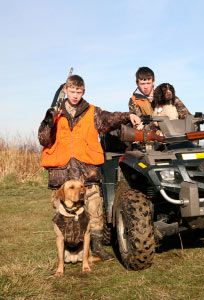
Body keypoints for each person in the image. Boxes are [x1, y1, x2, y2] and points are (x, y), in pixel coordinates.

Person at [38, 74, 141, 261]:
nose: (75, 95)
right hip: (62, 175)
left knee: (94, 211)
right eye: (72, 91)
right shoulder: (54, 113)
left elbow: (110, 119)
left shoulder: (92, 112)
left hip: (87, 173)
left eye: (79, 91)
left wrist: (129, 115)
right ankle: (68, 251)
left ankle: (97, 248)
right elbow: (43, 139)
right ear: (66, 91)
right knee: (62, 215)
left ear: (83, 91)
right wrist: (49, 120)